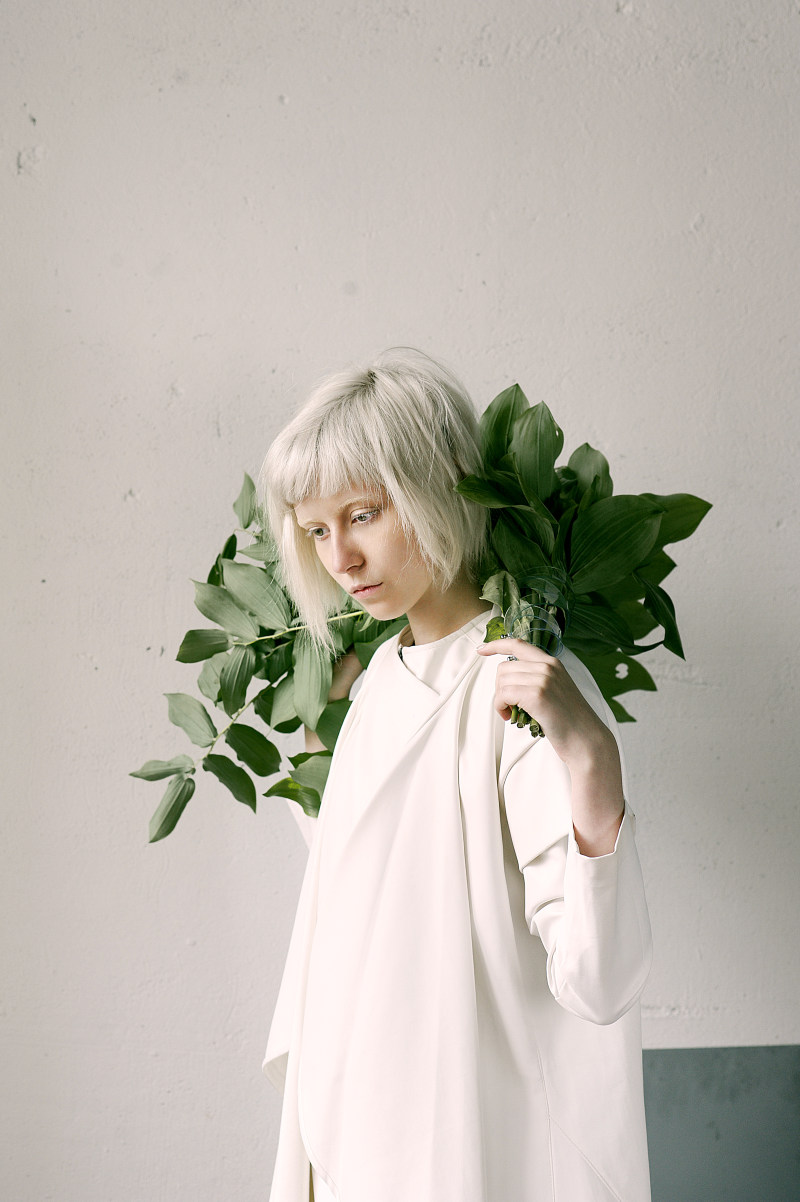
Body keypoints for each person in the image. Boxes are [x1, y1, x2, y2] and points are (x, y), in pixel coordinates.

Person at [258, 348, 653, 1202]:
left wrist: (589, 755)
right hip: (361, 1124)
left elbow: (598, 978)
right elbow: (370, 904)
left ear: (440, 490)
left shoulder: (518, 686)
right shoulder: (377, 685)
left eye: (363, 514)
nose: (342, 558)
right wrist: (320, 749)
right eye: (317, 529)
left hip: (470, 1138)